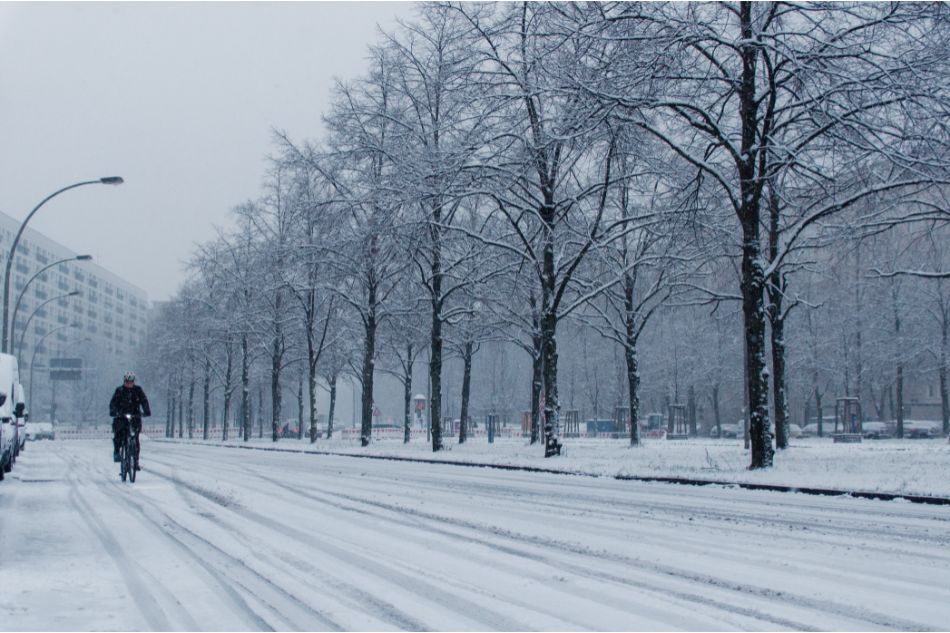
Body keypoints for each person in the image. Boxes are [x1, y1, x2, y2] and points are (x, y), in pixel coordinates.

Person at [110, 371, 150, 469]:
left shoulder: (138, 390)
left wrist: (146, 411)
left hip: (135, 416)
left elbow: (144, 401)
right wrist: (114, 412)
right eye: (127, 382)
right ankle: (117, 452)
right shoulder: (119, 391)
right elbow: (113, 404)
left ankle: (135, 462)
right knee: (119, 435)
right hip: (121, 417)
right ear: (124, 382)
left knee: (135, 439)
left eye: (131, 382)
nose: (129, 384)